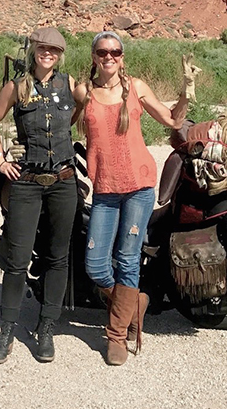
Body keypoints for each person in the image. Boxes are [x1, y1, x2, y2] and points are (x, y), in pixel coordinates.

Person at [73, 30, 189, 366]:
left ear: (122, 57)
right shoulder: (84, 93)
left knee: (127, 258)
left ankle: (117, 337)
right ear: (94, 56)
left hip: (139, 185)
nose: (109, 57)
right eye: (102, 52)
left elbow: (171, 120)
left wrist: (186, 92)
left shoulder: (135, 88)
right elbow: (61, 123)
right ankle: (134, 303)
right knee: (96, 264)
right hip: (105, 189)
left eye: (115, 52)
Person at [0, 26, 77, 365]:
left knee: (57, 256)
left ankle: (46, 327)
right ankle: (6, 329)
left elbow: (89, 111)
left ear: (60, 54)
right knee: (17, 258)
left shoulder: (70, 86)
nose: (47, 53)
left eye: (53, 49)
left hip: (64, 181)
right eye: (42, 48)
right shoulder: (17, 87)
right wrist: (0, 159)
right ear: (34, 50)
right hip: (26, 181)